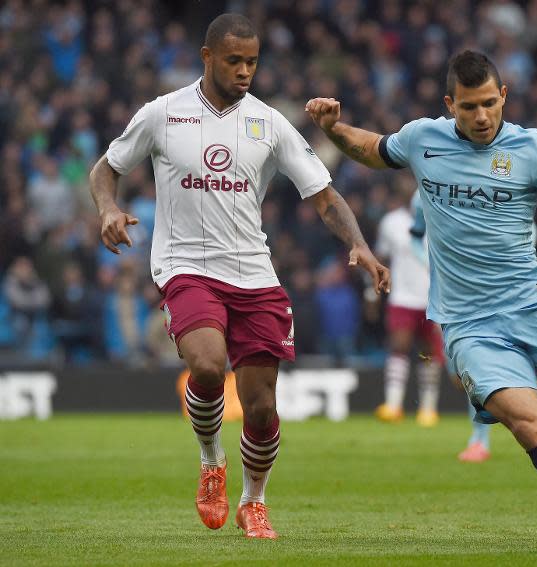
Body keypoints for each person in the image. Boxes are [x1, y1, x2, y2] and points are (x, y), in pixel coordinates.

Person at [306, 50, 537, 548]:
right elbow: (373, 148)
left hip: (535, 304)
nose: (481, 117)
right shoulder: (423, 139)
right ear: (449, 105)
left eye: (488, 104)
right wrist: (334, 129)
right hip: (468, 323)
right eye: (468, 107)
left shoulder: (531, 150)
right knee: (528, 421)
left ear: (503, 96)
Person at [89, 13, 390, 540]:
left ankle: (254, 500)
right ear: (208, 57)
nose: (246, 70)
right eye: (234, 61)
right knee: (206, 368)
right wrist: (108, 208)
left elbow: (323, 196)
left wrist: (360, 246)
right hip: (185, 267)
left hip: (253, 273)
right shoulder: (163, 113)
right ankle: (211, 461)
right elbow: (106, 168)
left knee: (262, 406)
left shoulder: (270, 123)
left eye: (252, 61)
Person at [411, 191, 492, 460]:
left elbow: (526, 228)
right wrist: (431, 265)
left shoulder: (482, 187)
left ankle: (479, 439)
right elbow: (415, 236)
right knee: (458, 374)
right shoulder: (420, 196)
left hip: (486, 291)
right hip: (444, 294)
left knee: (475, 366)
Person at [374, 189, 444, 427]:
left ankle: (428, 408)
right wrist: (371, 290)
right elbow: (381, 256)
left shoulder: (439, 218)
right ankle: (393, 405)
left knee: (429, 352)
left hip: (433, 297)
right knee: (399, 346)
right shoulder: (391, 222)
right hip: (402, 296)